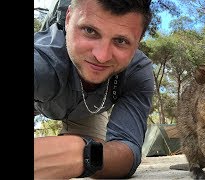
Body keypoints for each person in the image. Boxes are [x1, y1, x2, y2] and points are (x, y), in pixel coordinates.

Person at [34, 0, 154, 179]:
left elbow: (128, 150)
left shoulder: (137, 71)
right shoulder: (42, 61)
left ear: (138, 42)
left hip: (89, 111)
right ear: (68, 19)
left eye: (121, 41)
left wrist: (83, 155)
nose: (102, 56)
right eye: (90, 31)